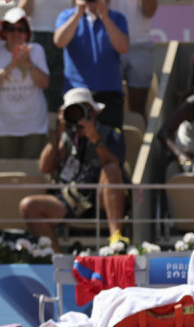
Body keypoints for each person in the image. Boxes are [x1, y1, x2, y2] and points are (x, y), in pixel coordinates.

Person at [19, 86, 127, 250]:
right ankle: (55, 257)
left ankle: (116, 242)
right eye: (73, 110)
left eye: (83, 109)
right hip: (70, 198)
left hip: (101, 197)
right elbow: (45, 167)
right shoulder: (65, 137)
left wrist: (94, 138)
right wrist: (58, 131)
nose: (79, 115)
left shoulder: (111, 133)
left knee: (111, 170)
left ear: (94, 111)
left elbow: (114, 164)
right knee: (28, 206)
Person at [53, 0, 129, 129]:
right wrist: (78, 13)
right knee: (73, 143)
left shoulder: (117, 18)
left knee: (109, 142)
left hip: (109, 94)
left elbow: (123, 47)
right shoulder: (68, 16)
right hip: (77, 94)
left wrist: (105, 17)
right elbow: (59, 42)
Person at [18, 0, 76, 109]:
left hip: (61, 42)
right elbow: (22, 12)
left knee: (57, 94)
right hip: (38, 38)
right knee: (35, 92)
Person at [0, 6, 49, 159]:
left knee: (32, 176)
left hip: (34, 126)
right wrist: (11, 65)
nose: (16, 34)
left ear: (27, 33)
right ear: (4, 32)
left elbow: (44, 83)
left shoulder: (37, 51)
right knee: (6, 176)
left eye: (20, 29)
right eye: (11, 29)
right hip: (4, 127)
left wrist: (28, 64)